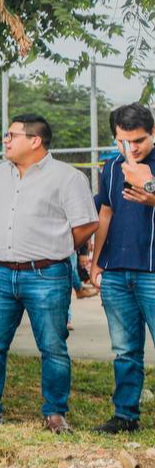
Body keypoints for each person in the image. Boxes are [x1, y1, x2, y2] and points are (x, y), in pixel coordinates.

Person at [0, 115, 98, 433]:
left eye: (11, 135)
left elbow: (87, 224)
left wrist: (54, 246)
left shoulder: (67, 178)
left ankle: (55, 412)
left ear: (35, 140)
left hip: (46, 274)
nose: (5, 140)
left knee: (53, 346)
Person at [90, 104, 155, 433]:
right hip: (116, 272)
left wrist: (150, 188)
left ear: (153, 133)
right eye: (122, 142)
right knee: (125, 349)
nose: (131, 149)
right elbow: (106, 212)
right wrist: (97, 260)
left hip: (152, 271)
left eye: (139, 141)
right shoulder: (112, 166)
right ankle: (125, 415)